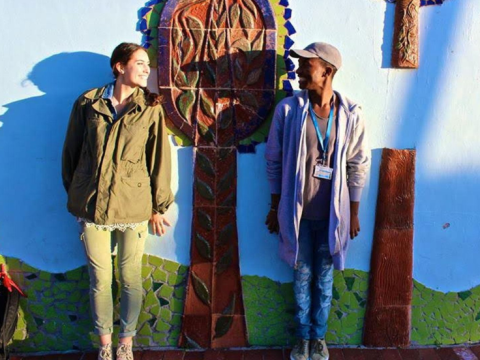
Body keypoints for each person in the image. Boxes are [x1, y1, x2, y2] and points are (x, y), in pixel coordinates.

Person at [62, 43, 174, 360]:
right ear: (119, 66)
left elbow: (159, 160)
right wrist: (78, 194)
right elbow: (71, 152)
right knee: (99, 279)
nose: (145, 69)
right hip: (92, 204)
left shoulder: (150, 108)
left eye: (147, 65)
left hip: (134, 204)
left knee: (129, 277)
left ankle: (126, 343)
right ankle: (105, 347)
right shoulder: (88, 102)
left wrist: (158, 206)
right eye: (139, 63)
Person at [265, 42, 370, 360]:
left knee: (324, 278)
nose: (297, 69)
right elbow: (273, 160)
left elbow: (358, 164)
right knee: (300, 275)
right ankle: (302, 339)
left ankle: (319, 338)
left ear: (328, 71)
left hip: (332, 216)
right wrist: (274, 207)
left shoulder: (351, 114)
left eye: (306, 64)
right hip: (296, 214)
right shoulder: (289, 110)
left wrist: (353, 212)